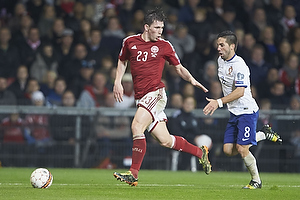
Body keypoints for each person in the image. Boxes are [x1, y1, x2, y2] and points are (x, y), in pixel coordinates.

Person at [112, 8, 211, 187]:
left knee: (136, 126)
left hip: (156, 93)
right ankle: (200, 153)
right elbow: (122, 61)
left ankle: (133, 173)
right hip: (140, 97)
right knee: (166, 140)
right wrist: (117, 81)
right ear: (146, 27)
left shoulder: (165, 46)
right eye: (157, 28)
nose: (160, 31)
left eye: (162, 28)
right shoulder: (129, 42)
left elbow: (179, 68)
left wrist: (192, 80)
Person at [203, 30, 283, 189]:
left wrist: (218, 102)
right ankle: (262, 134)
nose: (218, 48)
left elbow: (240, 91)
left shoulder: (240, 65)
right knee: (227, 150)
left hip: (247, 111)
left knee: (241, 148)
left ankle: (256, 180)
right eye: (217, 45)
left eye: (222, 45)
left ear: (232, 46)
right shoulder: (220, 61)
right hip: (234, 112)